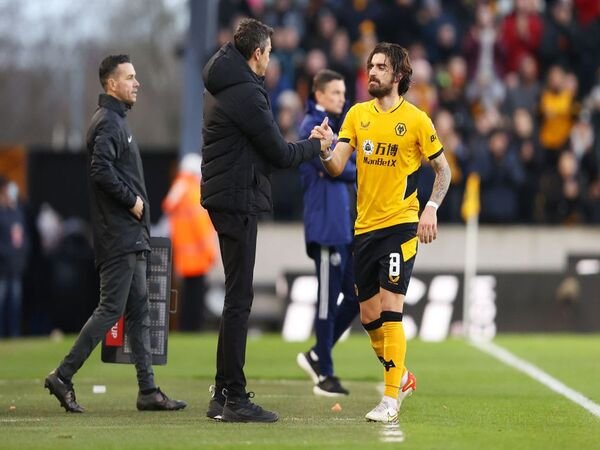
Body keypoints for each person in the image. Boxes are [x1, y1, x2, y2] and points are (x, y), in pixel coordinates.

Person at [312, 42, 451, 423]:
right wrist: (325, 149)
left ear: (399, 76)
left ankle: (390, 399)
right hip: (365, 229)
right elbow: (338, 166)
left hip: (400, 225)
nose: (371, 72)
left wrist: (431, 208)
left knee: (391, 312)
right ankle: (401, 376)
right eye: (370, 66)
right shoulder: (357, 115)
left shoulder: (417, 120)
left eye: (380, 67)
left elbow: (444, 171)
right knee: (369, 316)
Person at [201, 18, 332, 423]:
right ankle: (235, 398)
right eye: (270, 53)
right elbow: (279, 154)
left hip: (227, 196)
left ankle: (222, 394)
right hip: (236, 199)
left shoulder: (231, 81)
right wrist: (316, 145)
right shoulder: (246, 93)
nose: (271, 60)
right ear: (257, 54)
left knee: (234, 297)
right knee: (239, 299)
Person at [44, 54, 186, 413]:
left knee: (139, 313)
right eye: (130, 77)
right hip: (119, 236)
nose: (137, 83)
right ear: (111, 84)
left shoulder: (116, 120)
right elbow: (100, 171)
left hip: (129, 235)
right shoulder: (108, 122)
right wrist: (133, 202)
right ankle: (63, 375)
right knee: (111, 310)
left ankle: (148, 391)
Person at [295, 69, 360, 396]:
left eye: (343, 92)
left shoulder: (332, 128)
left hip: (341, 227)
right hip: (324, 228)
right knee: (326, 301)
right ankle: (326, 374)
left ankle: (319, 353)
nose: (341, 98)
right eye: (335, 92)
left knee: (355, 296)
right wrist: (355, 164)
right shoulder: (312, 127)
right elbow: (337, 169)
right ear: (318, 94)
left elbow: (342, 166)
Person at [162, 153, 217, 331]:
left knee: (186, 297)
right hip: (197, 255)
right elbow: (200, 226)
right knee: (196, 297)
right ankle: (193, 328)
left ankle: (186, 327)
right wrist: (210, 252)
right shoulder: (193, 192)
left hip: (183, 255)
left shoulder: (178, 189)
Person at [0, 177, 27, 337]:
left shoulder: (17, 213)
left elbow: (24, 240)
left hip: (16, 267)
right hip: (2, 268)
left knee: (15, 303)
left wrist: (20, 258)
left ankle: (14, 334)